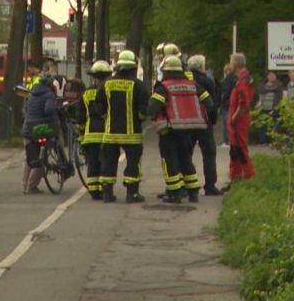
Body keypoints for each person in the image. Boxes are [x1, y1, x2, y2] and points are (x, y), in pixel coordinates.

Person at [149, 55, 214, 203]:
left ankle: (174, 193)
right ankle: (193, 191)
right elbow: (209, 103)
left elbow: (152, 107)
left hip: (170, 130)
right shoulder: (193, 85)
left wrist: (157, 118)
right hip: (189, 129)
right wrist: (208, 120)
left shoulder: (163, 87)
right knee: (185, 158)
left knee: (169, 160)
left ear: (165, 70)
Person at [95, 49, 149, 203]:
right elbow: (144, 108)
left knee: (108, 162)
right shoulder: (138, 85)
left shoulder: (106, 84)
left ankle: (107, 193)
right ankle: (132, 194)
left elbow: (99, 104)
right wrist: (140, 118)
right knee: (133, 162)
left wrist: (106, 117)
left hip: (110, 133)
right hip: (132, 134)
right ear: (133, 68)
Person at [21, 72, 62, 194]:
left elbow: (26, 110)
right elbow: (49, 110)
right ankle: (32, 186)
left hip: (27, 129)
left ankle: (24, 185)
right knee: (41, 157)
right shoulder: (49, 94)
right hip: (41, 128)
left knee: (29, 157)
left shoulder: (32, 94)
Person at [187, 54, 222, 195]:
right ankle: (210, 185)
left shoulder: (185, 79)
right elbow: (212, 104)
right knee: (208, 153)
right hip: (203, 121)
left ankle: (185, 184)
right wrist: (213, 120)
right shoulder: (207, 81)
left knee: (186, 153)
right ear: (201, 66)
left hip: (186, 122)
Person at [76, 60, 112, 200]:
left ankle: (93, 191)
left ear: (93, 77)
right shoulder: (108, 91)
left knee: (93, 163)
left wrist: (82, 131)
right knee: (105, 162)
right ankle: (104, 190)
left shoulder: (86, 94)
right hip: (106, 134)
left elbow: (80, 116)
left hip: (90, 135)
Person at [227, 52, 255, 184]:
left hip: (239, 121)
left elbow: (243, 104)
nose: (230, 65)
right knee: (234, 150)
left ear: (236, 64)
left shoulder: (243, 81)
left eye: (231, 62)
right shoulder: (244, 79)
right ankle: (235, 177)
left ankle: (249, 176)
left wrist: (233, 118)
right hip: (238, 121)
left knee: (241, 150)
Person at [256, 70, 283, 144]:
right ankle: (262, 141)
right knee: (262, 124)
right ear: (267, 76)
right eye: (269, 75)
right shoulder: (262, 85)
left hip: (274, 108)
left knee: (274, 125)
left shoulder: (279, 84)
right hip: (263, 108)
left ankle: (274, 141)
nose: (271, 76)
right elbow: (261, 92)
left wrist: (275, 108)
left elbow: (280, 96)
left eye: (273, 75)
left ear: (275, 76)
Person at [220, 62, 236, 147]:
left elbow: (226, 92)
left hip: (226, 104)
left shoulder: (227, 80)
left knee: (226, 123)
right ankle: (228, 140)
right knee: (227, 123)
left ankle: (227, 141)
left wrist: (221, 99)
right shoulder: (233, 79)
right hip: (228, 103)